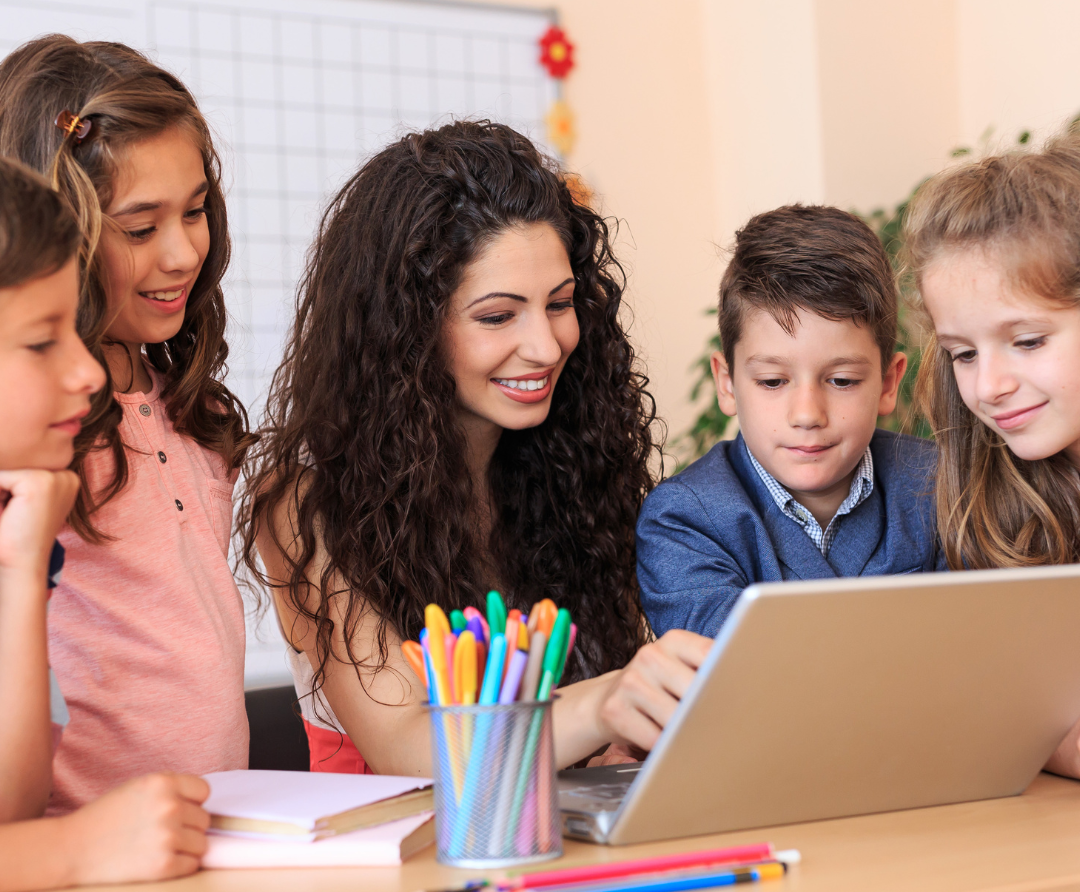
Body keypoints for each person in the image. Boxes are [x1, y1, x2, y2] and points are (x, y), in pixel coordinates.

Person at [243, 120, 711, 774]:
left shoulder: (570, 475)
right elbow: (406, 751)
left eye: (560, 304)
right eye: (497, 316)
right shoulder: (304, 505)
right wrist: (603, 704)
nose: (547, 347)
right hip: (399, 863)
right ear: (404, 330)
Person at [0, 36, 255, 812]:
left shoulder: (192, 410)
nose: (182, 252)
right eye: (140, 229)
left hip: (204, 841)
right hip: (76, 857)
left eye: (197, 211)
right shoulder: (39, 440)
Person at [0, 156, 210, 892]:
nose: (88, 372)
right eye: (41, 340)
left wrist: (23, 573)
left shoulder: (21, 526)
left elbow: (10, 810)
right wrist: (76, 851)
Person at [636, 205, 940, 638]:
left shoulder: (941, 486)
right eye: (773, 381)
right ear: (727, 383)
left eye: (842, 380)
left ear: (888, 383)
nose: (807, 414)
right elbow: (733, 681)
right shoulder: (683, 521)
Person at [905, 130, 1080, 779]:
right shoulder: (987, 490)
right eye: (964, 353)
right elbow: (1003, 710)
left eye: (1028, 341)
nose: (989, 386)